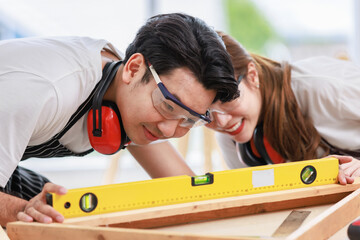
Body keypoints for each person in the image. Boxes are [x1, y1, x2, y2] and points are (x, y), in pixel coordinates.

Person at [0, 13, 239, 226]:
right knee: (44, 215)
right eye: (167, 106)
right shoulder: (48, 89)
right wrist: (21, 210)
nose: (168, 130)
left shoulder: (135, 98)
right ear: (133, 69)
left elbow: (185, 190)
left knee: (61, 210)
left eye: (188, 120)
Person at [206, 32, 360, 184]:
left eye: (227, 100)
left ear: (252, 76)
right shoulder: (230, 137)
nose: (221, 121)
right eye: (206, 112)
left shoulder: (323, 87)